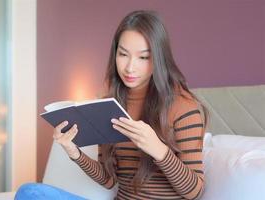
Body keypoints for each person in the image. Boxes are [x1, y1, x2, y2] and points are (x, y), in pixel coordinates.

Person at [16, 10, 208, 200]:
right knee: (30, 192)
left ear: (159, 58)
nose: (130, 67)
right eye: (123, 54)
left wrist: (158, 149)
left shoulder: (184, 108)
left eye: (143, 57)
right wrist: (74, 153)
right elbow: (109, 180)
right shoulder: (111, 105)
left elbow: (195, 192)